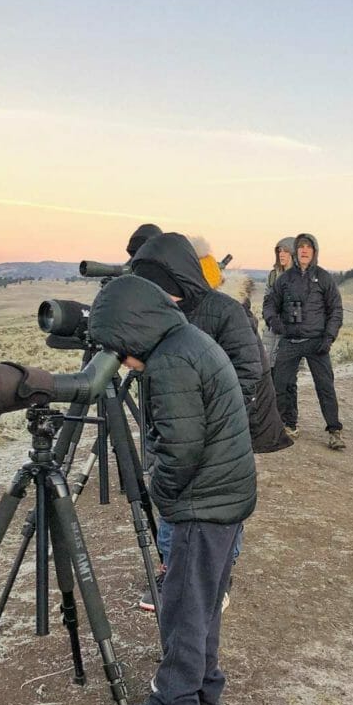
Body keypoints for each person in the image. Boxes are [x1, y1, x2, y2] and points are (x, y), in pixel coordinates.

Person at [89, 275, 257, 705]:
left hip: (203, 504)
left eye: (118, 351)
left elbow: (179, 451)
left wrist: (160, 494)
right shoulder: (189, 340)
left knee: (182, 607)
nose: (123, 363)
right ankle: (203, 692)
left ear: (131, 331)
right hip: (225, 498)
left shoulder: (170, 362)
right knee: (201, 605)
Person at [129, 232, 291, 611]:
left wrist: (212, 419)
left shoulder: (226, 311)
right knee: (172, 497)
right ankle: (174, 569)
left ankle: (220, 576)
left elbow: (248, 372)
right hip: (172, 426)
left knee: (219, 510)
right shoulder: (163, 314)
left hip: (220, 434)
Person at [262, 233, 345, 450]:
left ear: (314, 251)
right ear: (296, 251)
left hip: (317, 342)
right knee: (281, 385)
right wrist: (276, 324)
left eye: (308, 247)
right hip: (290, 340)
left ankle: (334, 430)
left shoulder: (324, 277)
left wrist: (328, 337)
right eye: (301, 247)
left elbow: (335, 309)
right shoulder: (285, 279)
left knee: (325, 387)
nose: (304, 250)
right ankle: (287, 426)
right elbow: (270, 304)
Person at [263, 237, 294, 365]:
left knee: (287, 373)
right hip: (271, 330)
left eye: (286, 251)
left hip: (291, 332)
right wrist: (270, 318)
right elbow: (266, 300)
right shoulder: (273, 276)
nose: (281, 254)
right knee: (268, 368)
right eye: (279, 251)